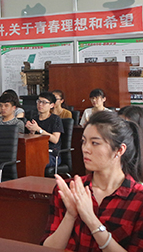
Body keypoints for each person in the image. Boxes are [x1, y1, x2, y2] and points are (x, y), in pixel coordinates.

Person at [43, 111, 143, 251]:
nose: (85, 149)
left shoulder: (138, 198)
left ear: (120, 150)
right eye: (84, 142)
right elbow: (48, 248)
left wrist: (90, 219)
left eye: (95, 143)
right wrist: (70, 216)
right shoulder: (69, 189)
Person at [25, 92, 64, 168]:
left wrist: (39, 130)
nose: (40, 104)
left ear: (52, 105)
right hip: (36, 151)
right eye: (39, 101)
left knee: (35, 160)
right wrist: (32, 132)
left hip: (51, 154)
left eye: (44, 102)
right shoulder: (34, 119)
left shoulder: (55, 119)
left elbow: (55, 139)